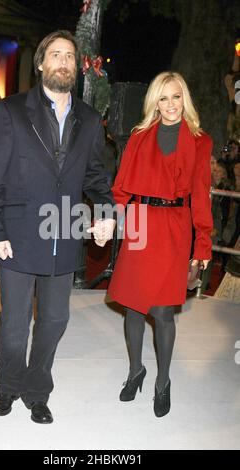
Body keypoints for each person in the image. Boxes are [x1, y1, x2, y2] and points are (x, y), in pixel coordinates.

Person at [0, 30, 115, 424]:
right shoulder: (10, 111)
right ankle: (8, 387)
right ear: (40, 63)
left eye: (69, 56)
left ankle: (38, 392)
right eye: (54, 55)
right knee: (14, 323)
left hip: (65, 233)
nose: (62, 61)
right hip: (18, 235)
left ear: (76, 67)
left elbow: (95, 177)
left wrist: (106, 213)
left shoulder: (89, 121)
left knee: (55, 320)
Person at [107, 71, 213, 418]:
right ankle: (136, 370)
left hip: (175, 228)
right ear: (155, 102)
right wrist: (112, 220)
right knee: (134, 307)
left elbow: (200, 198)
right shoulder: (139, 137)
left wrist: (202, 247)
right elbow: (121, 188)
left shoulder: (200, 142)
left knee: (164, 311)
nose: (170, 105)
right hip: (140, 223)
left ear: (186, 99)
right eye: (163, 98)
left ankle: (162, 382)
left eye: (176, 96)